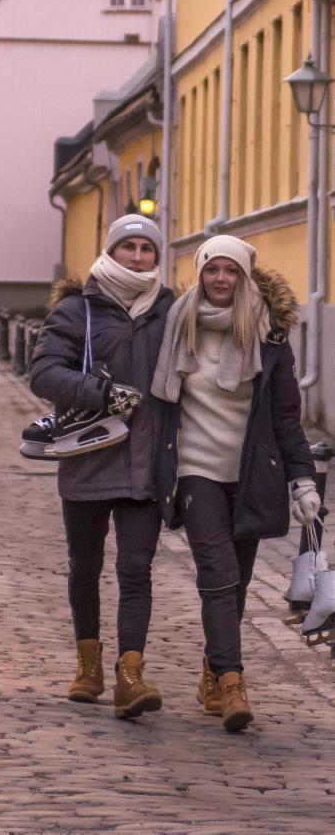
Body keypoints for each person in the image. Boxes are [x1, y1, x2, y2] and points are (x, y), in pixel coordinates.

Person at [151, 235, 318, 732]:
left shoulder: (268, 335)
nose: (220, 279)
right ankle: (231, 681)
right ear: (200, 272)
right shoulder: (177, 325)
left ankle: (210, 667)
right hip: (195, 471)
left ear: (245, 276)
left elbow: (286, 415)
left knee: (238, 582)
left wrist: (302, 479)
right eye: (212, 269)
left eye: (231, 270)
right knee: (219, 575)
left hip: (250, 476)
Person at [29, 215, 174, 719]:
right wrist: (104, 393)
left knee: (136, 569)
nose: (138, 257)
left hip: (147, 465)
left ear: (157, 256)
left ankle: (130, 676)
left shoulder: (171, 311)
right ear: (111, 251)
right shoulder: (78, 310)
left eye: (146, 249)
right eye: (128, 247)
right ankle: (87, 666)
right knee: (84, 568)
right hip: (89, 457)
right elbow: (44, 372)